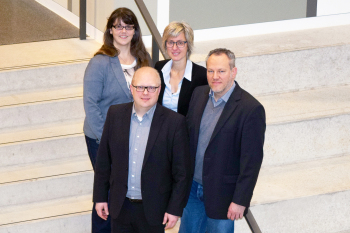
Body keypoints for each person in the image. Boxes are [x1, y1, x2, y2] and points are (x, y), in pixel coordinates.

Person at [93, 67, 192, 233]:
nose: (145, 92)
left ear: (159, 90)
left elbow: (182, 173)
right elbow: (103, 160)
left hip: (154, 211)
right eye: (140, 87)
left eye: (151, 87)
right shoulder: (115, 114)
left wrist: (175, 208)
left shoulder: (175, 123)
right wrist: (100, 197)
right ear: (131, 88)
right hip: (120, 207)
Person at [180, 48, 266, 233]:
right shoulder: (198, 94)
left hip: (223, 196)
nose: (215, 76)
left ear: (233, 72)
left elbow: (251, 161)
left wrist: (240, 200)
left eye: (221, 71)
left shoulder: (250, 109)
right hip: (192, 190)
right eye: (210, 71)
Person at [83, 7, 151, 233]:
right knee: (108, 191)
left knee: (123, 191)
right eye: (118, 26)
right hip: (101, 138)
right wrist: (108, 140)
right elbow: (91, 105)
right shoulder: (100, 62)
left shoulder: (143, 60)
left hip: (133, 137)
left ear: (135, 31)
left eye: (128, 26)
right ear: (110, 30)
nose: (123, 31)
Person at [154, 21, 207, 116]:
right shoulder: (159, 68)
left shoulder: (201, 75)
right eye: (170, 42)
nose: (174, 47)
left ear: (188, 45)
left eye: (180, 43)